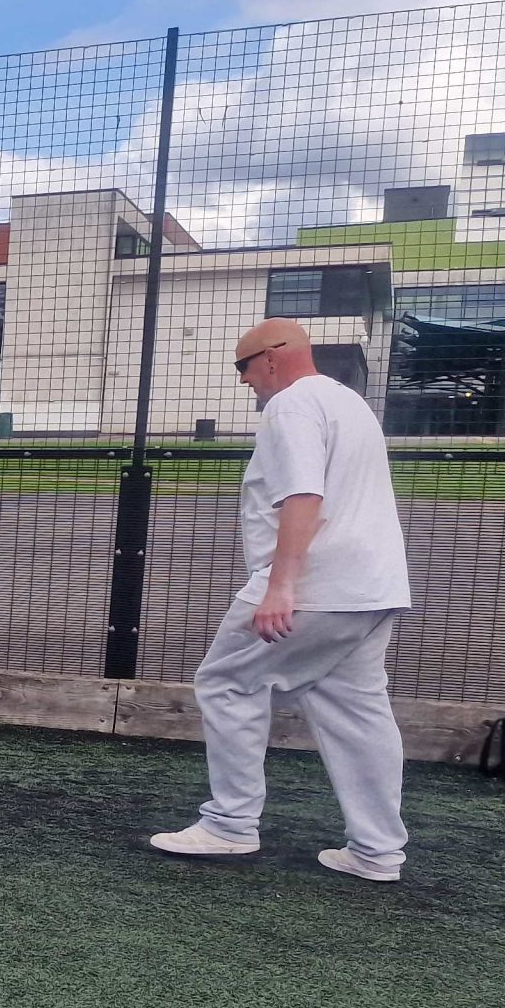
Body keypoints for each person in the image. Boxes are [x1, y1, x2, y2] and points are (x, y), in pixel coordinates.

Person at [150, 318, 411, 880]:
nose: (245, 382)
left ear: (271, 359)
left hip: (318, 584)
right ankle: (377, 851)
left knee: (226, 682)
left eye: (243, 367)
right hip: (372, 587)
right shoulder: (348, 402)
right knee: (356, 710)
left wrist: (281, 584)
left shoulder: (291, 405)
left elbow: (303, 495)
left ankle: (229, 826)